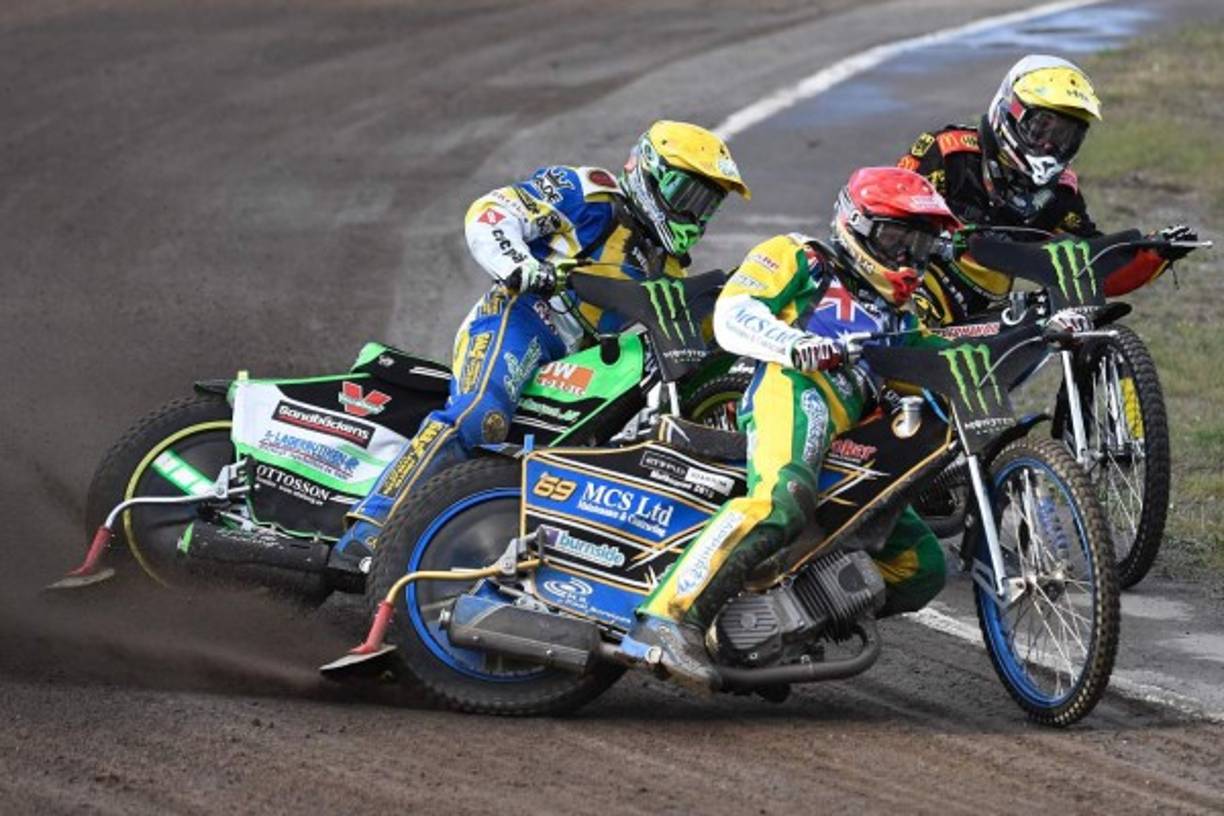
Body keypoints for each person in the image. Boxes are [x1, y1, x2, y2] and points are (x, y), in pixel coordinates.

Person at [329, 121, 751, 571]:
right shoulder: (589, 195)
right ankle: (368, 528)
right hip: (521, 317)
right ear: (649, 171)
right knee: (479, 417)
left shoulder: (667, 266)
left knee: (594, 453)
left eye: (709, 204)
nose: (698, 214)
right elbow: (490, 212)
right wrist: (520, 264)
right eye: (690, 196)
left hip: (583, 358)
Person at [621, 166, 960, 689]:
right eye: (898, 238)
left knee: (922, 566)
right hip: (795, 387)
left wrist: (1034, 329)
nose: (908, 257)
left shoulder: (902, 318)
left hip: (857, 433)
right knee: (783, 499)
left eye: (921, 244)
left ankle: (775, 628)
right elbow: (736, 312)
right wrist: (793, 344)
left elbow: (939, 364)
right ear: (858, 225)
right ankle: (667, 620)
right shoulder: (801, 256)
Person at [897, 54, 1195, 325]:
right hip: (909, 295)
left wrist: (1152, 253)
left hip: (983, 318)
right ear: (1010, 112)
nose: (1050, 146)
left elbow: (1091, 265)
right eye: (1041, 128)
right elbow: (886, 211)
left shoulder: (1061, 192)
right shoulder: (948, 151)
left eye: (1066, 137)